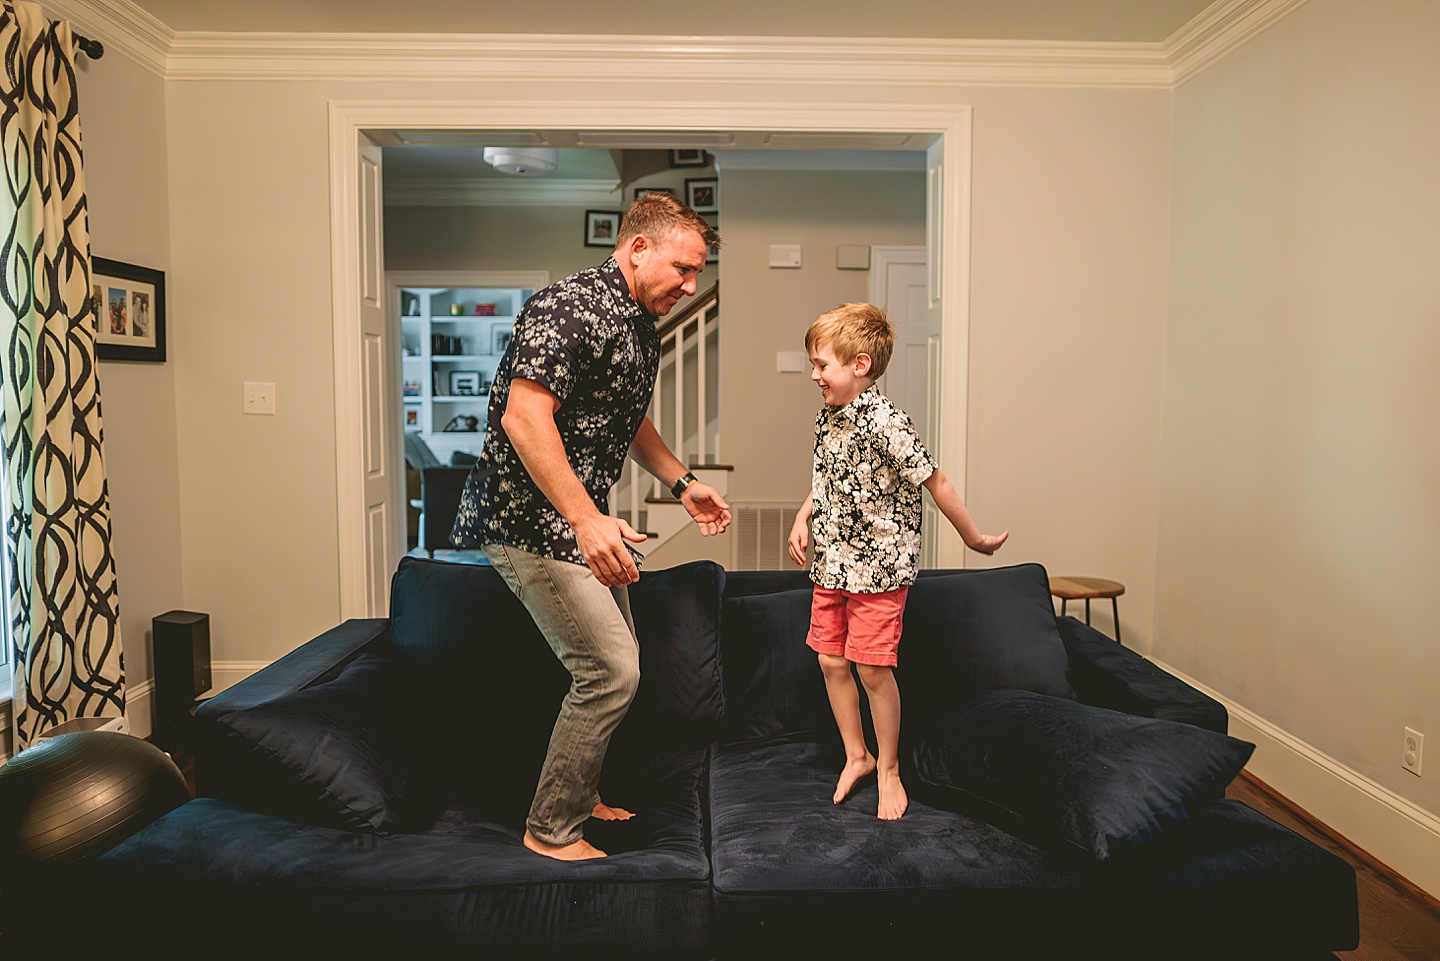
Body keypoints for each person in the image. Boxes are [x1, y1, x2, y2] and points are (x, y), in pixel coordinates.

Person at [451, 193, 731, 861]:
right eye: (684, 268)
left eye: (698, 273)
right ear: (638, 248)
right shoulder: (569, 307)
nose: (692, 285)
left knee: (616, 665)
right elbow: (525, 418)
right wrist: (586, 519)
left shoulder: (640, 319)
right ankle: (551, 829)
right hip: (525, 521)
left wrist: (682, 482)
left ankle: (579, 794)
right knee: (611, 669)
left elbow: (624, 411)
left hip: (576, 522)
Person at [786, 302, 1008, 820]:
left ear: (859, 365)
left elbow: (937, 482)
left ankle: (888, 767)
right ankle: (856, 756)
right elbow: (825, 479)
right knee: (830, 660)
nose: (814, 375)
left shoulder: (888, 422)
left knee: (872, 670)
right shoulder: (828, 417)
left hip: (878, 570)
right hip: (832, 562)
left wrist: (972, 538)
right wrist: (803, 517)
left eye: (822, 365)